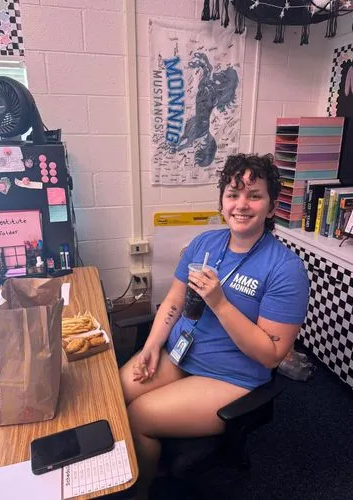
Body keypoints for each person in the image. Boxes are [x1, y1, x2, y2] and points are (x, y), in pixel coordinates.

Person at [120, 153, 309, 499]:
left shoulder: (286, 270)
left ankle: (140, 491)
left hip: (230, 377)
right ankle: (138, 464)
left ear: (270, 207)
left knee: (138, 415)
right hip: (181, 355)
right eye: (233, 193)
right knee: (116, 391)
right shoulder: (204, 244)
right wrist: (150, 346)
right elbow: (174, 303)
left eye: (254, 195)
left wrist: (219, 303)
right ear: (222, 201)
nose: (242, 204)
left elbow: (271, 355)